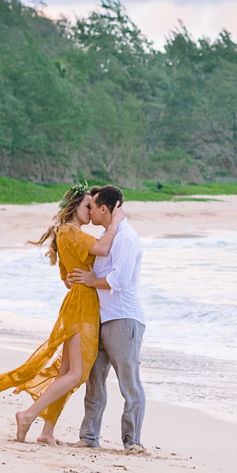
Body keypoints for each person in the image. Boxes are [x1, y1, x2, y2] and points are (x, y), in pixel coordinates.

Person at [0, 183, 125, 444]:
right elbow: (103, 249)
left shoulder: (66, 234)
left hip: (77, 302)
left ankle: (47, 431)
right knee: (77, 374)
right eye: (87, 206)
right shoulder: (71, 232)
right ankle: (28, 416)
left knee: (67, 374)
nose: (91, 211)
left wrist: (82, 275)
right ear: (74, 208)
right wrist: (116, 223)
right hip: (82, 306)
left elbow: (66, 278)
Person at [66, 184, 148, 454]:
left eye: (92, 207)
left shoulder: (124, 238)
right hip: (102, 319)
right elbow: (93, 265)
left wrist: (92, 281)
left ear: (104, 209)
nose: (89, 211)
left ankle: (132, 441)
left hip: (124, 320)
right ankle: (89, 437)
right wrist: (77, 278)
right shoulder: (108, 237)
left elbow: (119, 280)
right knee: (94, 380)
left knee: (129, 382)